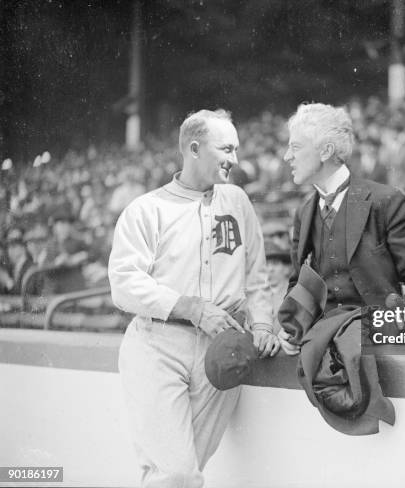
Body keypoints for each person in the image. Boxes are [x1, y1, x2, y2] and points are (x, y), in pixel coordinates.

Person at [108, 109, 279, 488]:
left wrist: (263, 323)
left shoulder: (237, 201)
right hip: (159, 343)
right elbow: (123, 283)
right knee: (177, 473)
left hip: (222, 350)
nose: (235, 159)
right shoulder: (146, 209)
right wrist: (193, 308)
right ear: (195, 148)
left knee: (178, 475)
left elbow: (256, 275)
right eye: (227, 149)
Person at [280, 102, 405, 353]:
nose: (287, 156)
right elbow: (298, 283)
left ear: (325, 151)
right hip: (325, 350)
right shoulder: (303, 212)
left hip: (380, 349)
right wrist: (292, 328)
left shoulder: (386, 200)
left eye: (295, 147)